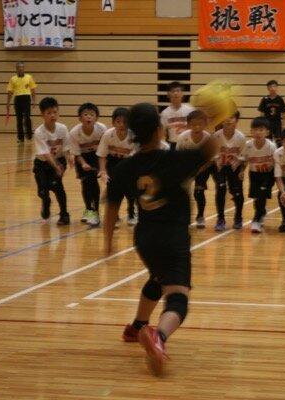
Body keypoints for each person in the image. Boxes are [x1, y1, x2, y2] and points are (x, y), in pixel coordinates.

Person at [104, 102, 217, 376]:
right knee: (178, 297)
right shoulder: (175, 159)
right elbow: (211, 149)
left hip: (145, 238)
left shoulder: (125, 168)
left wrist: (107, 243)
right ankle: (159, 336)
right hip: (172, 237)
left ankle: (137, 327)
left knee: (158, 278)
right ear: (158, 129)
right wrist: (211, 117)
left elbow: (110, 207)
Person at [32, 97, 70, 225]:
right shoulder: (39, 132)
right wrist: (56, 166)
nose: (52, 115)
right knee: (42, 191)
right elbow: (46, 154)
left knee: (58, 187)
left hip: (59, 161)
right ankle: (46, 202)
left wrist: (68, 159)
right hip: (42, 165)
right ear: (42, 115)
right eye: (49, 113)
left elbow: (65, 148)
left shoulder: (63, 128)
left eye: (55, 112)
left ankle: (64, 215)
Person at [68, 102, 107, 226]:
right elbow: (76, 153)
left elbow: (104, 149)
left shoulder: (102, 129)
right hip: (82, 158)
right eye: (85, 114)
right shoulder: (74, 133)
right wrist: (83, 164)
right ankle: (88, 210)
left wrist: (102, 166)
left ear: (96, 118)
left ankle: (95, 212)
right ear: (80, 118)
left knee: (94, 183)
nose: (89, 117)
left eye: (92, 115)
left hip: (97, 155)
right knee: (85, 183)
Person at [97, 107, 137, 227]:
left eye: (125, 122)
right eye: (118, 122)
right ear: (113, 122)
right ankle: (115, 216)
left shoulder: (133, 136)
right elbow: (102, 155)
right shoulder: (108, 135)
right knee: (113, 190)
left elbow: (135, 158)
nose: (121, 125)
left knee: (130, 191)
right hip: (113, 162)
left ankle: (131, 212)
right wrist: (103, 171)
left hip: (129, 163)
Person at [176, 110, 212, 229]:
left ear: (205, 124)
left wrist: (198, 170)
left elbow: (210, 160)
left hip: (203, 168)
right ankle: (183, 217)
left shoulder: (208, 139)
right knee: (182, 193)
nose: (197, 126)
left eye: (200, 124)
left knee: (199, 192)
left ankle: (200, 216)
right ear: (188, 125)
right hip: (186, 169)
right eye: (193, 124)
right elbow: (178, 156)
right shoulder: (182, 138)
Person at [240, 117, 277, 233]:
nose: (258, 132)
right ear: (251, 132)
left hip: (267, 174)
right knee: (257, 197)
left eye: (261, 130)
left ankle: (256, 219)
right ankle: (261, 212)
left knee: (262, 193)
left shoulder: (271, 146)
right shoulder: (248, 145)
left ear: (267, 132)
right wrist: (242, 170)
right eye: (255, 130)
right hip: (254, 173)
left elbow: (277, 162)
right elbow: (244, 159)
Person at [212, 111, 246, 231]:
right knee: (220, 189)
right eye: (225, 117)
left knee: (237, 193)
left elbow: (244, 157)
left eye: (231, 117)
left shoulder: (241, 137)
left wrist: (242, 170)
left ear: (236, 121)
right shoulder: (216, 136)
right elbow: (213, 154)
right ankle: (220, 218)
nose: (228, 120)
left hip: (234, 168)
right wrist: (217, 161)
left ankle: (238, 217)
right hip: (221, 167)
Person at [6, 61, 37, 143]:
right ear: (16, 69)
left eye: (22, 67)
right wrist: (8, 103)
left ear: (24, 68)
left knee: (27, 118)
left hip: (26, 98)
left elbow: (33, 90)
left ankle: (29, 137)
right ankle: (20, 138)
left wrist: (34, 101)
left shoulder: (29, 77)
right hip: (18, 99)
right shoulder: (13, 79)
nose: (21, 68)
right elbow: (10, 92)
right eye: (19, 67)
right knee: (19, 119)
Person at [160, 81, 195, 151]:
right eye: (173, 91)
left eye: (178, 91)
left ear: (182, 94)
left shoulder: (190, 110)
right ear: (168, 94)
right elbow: (163, 133)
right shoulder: (165, 113)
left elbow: (195, 127)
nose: (176, 93)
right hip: (173, 145)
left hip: (188, 144)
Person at [258, 80, 285, 148]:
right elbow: (262, 112)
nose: (273, 88)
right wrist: (262, 123)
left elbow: (284, 112)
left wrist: (283, 123)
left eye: (274, 86)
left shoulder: (280, 99)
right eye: (271, 86)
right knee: (268, 141)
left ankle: (279, 154)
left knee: (279, 141)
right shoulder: (265, 99)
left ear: (277, 87)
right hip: (268, 123)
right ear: (268, 88)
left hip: (277, 123)